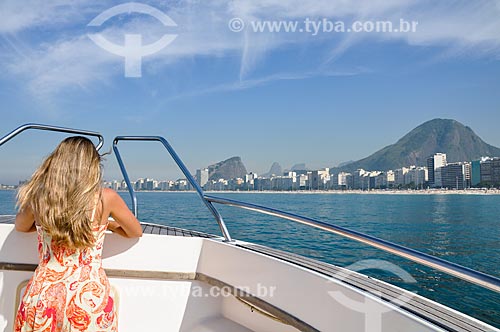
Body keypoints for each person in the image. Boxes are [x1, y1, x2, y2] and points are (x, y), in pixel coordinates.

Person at [14, 136, 142, 331]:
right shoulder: (105, 198)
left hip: (44, 295)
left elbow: (21, 226)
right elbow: (135, 231)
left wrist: (46, 226)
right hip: (87, 297)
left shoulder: (39, 197)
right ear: (91, 166)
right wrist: (105, 224)